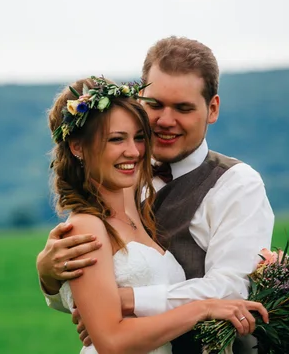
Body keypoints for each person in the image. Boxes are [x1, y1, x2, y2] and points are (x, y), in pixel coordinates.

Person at [37, 37, 275, 353]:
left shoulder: (237, 184)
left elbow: (232, 290)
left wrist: (127, 301)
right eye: (155, 105)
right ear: (140, 99)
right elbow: (91, 301)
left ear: (212, 109)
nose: (165, 120)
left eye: (183, 108)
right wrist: (49, 278)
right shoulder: (117, 174)